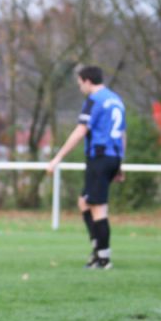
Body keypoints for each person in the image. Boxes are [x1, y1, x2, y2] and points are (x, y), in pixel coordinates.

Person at [46, 65, 126, 270]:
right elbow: (122, 134)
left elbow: (80, 131)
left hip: (100, 157)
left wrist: (57, 158)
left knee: (98, 208)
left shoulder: (94, 100)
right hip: (112, 157)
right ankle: (97, 249)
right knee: (84, 202)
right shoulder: (116, 100)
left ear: (88, 81)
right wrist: (119, 163)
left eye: (80, 83)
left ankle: (103, 258)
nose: (80, 87)